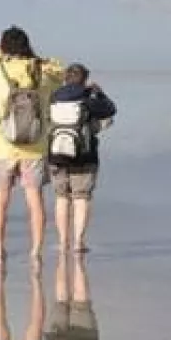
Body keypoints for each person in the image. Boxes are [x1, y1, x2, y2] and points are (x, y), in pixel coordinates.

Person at [0, 27, 65, 260]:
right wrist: (41, 59)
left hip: (1, 145)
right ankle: (35, 251)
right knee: (35, 199)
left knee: (0, 199)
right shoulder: (42, 72)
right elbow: (62, 73)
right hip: (35, 145)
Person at [48, 64, 118, 255]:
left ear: (65, 78)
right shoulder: (87, 99)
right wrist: (99, 93)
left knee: (61, 197)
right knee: (81, 197)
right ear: (84, 79)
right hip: (84, 155)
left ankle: (62, 242)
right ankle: (78, 242)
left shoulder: (54, 97)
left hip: (57, 155)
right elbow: (111, 110)